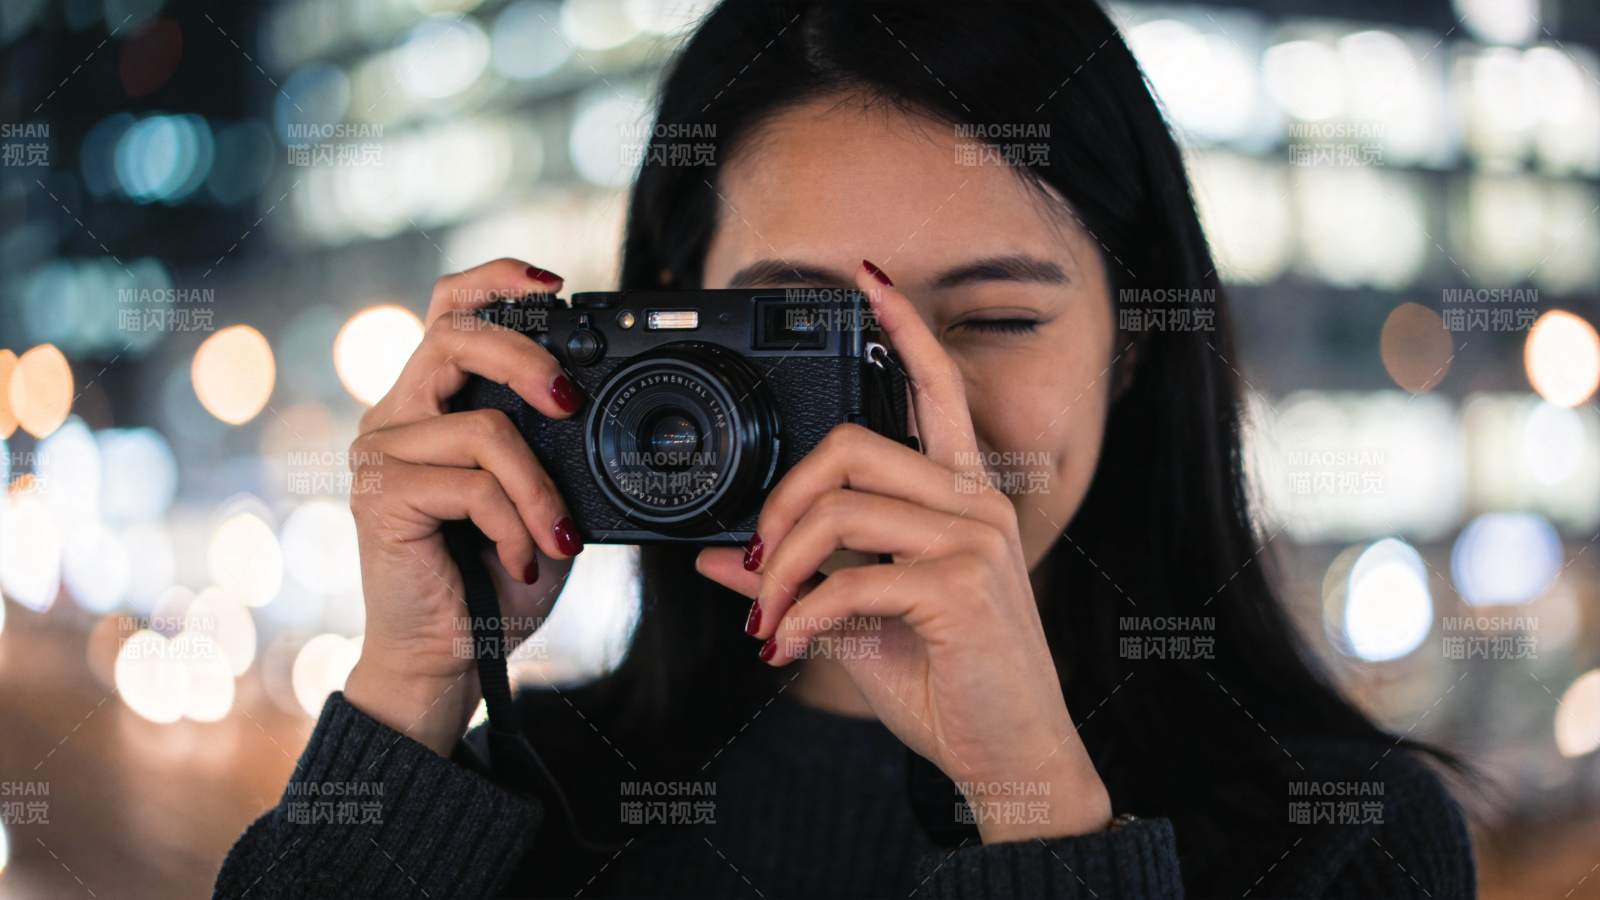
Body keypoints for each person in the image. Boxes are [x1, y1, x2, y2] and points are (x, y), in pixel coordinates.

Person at [215, 1, 1475, 897]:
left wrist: (1038, 809)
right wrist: (417, 682)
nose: (907, 415)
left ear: (1134, 343)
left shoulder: (1345, 837)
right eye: (797, 330)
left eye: (991, 321)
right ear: (659, 327)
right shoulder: (514, 802)